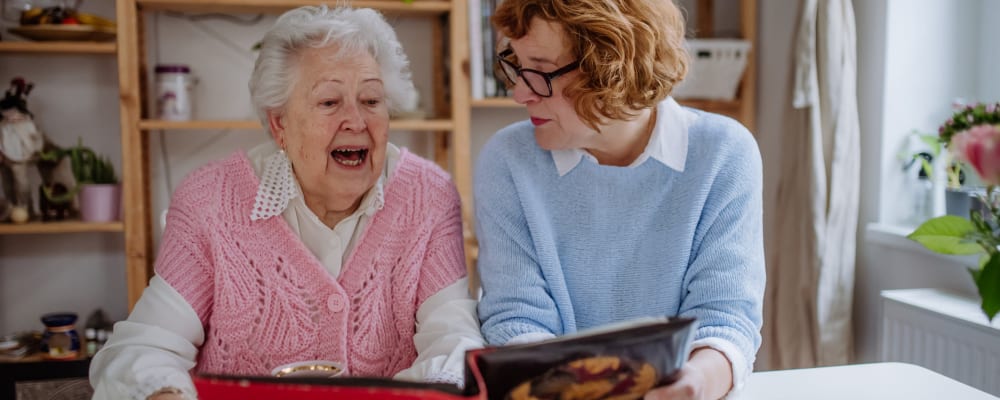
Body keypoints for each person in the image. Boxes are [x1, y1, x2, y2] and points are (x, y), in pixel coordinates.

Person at [90, 6, 483, 399]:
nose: (357, 121)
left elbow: (454, 341)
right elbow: (141, 349)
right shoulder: (210, 203)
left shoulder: (428, 196)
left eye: (371, 100)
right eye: (329, 102)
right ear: (280, 124)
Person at [473, 1, 765, 399]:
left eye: (540, 72)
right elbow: (516, 317)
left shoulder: (724, 154)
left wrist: (695, 384)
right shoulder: (507, 160)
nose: (519, 92)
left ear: (612, 71)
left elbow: (726, 319)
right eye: (515, 65)